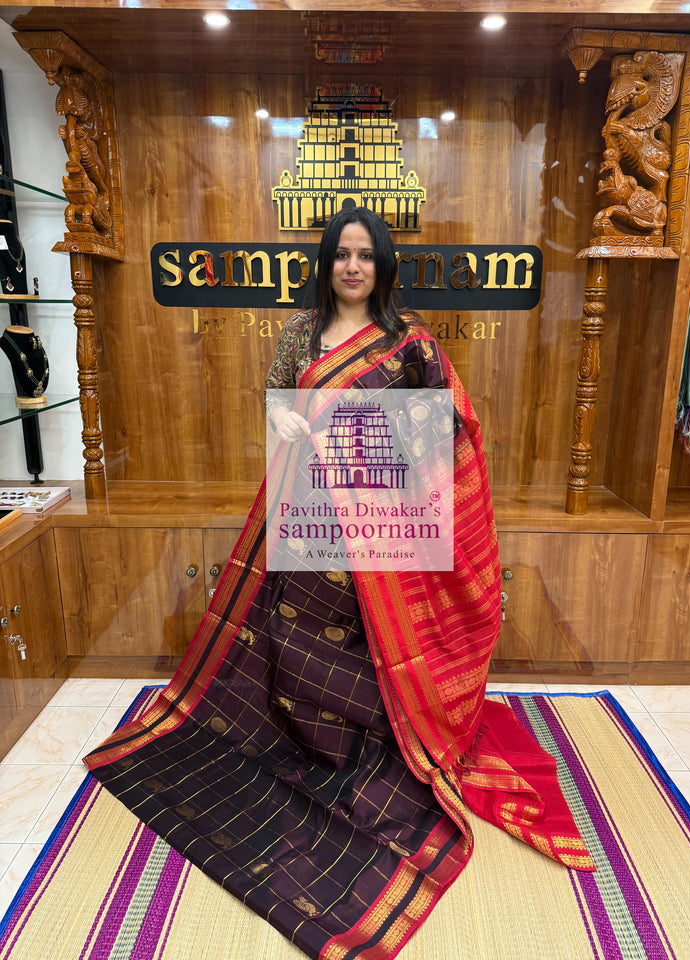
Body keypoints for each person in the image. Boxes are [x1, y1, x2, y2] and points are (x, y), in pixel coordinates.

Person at [85, 207, 593, 960]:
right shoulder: (297, 334)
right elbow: (278, 410)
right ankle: (306, 744)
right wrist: (291, 425)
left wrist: (372, 436)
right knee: (292, 635)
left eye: (365, 256)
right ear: (325, 264)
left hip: (381, 535)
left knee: (367, 645)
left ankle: (369, 749)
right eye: (340, 255)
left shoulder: (409, 340)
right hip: (307, 516)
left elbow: (449, 430)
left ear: (383, 266)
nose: (352, 267)